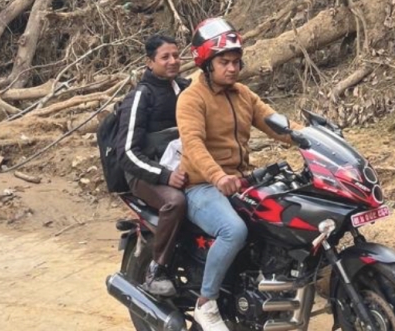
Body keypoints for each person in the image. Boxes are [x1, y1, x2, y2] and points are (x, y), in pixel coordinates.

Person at [176, 17, 291, 331]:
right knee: (233, 231)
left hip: (242, 180)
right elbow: (194, 145)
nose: (231, 68)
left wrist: (312, 139)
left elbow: (275, 123)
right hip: (202, 186)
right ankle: (206, 304)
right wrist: (216, 176)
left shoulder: (242, 94)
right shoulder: (191, 98)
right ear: (207, 64)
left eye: (236, 62)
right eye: (224, 62)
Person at [116, 32, 190, 298]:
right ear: (150, 62)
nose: (172, 61)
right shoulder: (140, 96)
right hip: (144, 173)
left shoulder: (184, 89)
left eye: (176, 55)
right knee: (176, 202)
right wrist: (163, 175)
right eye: (165, 57)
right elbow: (126, 153)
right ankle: (156, 270)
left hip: (180, 166)